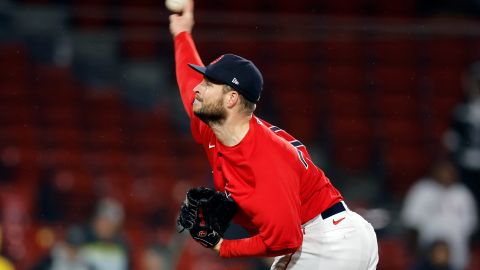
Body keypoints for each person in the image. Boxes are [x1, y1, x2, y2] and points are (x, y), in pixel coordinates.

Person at [168, 1, 379, 269]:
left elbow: (285, 240)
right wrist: (182, 33)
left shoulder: (264, 158)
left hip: (325, 240)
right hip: (333, 234)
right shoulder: (213, 125)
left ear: (231, 99)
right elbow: (188, 83)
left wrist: (223, 247)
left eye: (209, 84)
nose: (199, 88)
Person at [401, 159, 478, 270]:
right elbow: (412, 225)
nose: (446, 174)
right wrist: (415, 254)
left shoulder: (463, 193)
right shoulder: (422, 190)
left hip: (458, 256)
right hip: (427, 255)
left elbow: (471, 231)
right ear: (435, 171)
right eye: (443, 170)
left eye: (449, 170)